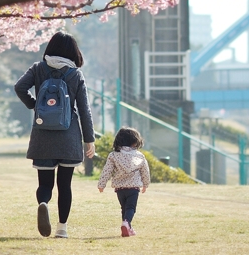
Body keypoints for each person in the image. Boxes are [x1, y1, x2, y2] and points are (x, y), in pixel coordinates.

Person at [14, 32, 95, 239]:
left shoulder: (38, 68)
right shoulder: (75, 74)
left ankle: (43, 202)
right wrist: (89, 139)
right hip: (69, 134)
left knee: (45, 183)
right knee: (65, 184)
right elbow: (84, 110)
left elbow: (19, 87)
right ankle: (62, 229)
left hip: (42, 133)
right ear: (73, 52)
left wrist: (34, 105)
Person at [98, 127, 150, 237]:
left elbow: (107, 170)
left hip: (120, 189)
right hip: (133, 188)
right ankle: (126, 223)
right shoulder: (139, 156)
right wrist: (145, 184)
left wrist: (101, 184)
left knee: (124, 208)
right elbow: (145, 171)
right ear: (134, 142)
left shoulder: (113, 155)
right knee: (131, 208)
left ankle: (126, 227)